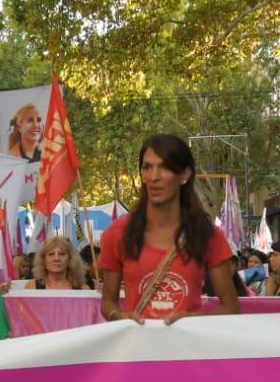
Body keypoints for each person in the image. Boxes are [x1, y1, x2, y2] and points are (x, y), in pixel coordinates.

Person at [99, 134, 239, 323]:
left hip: (189, 349)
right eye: (147, 167)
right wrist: (120, 315)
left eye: (164, 167)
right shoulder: (117, 233)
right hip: (137, 349)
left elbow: (231, 307)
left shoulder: (208, 235)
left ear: (185, 175)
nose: (154, 177)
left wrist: (193, 319)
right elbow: (108, 302)